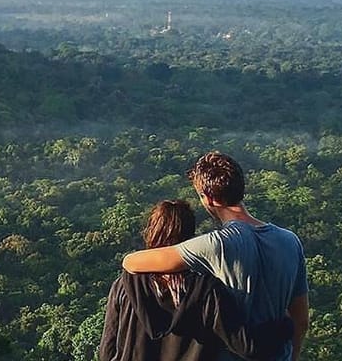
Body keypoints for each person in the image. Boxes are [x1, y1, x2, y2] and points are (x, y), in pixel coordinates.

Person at [122, 152, 309, 361]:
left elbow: (132, 262)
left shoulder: (216, 245)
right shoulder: (290, 241)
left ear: (208, 198)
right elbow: (300, 319)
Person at [99, 199, 293, 361]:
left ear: (150, 233)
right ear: (190, 238)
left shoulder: (125, 285)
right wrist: (284, 325)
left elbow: (107, 349)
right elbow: (247, 346)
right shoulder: (206, 290)